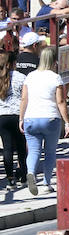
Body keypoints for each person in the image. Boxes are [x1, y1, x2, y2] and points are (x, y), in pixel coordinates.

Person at [19, 45, 68, 195]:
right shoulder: (55, 78)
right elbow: (60, 101)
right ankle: (47, 183)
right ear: (54, 61)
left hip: (31, 118)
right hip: (50, 117)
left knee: (33, 150)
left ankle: (31, 173)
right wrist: (67, 121)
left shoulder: (30, 76)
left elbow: (24, 98)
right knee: (50, 152)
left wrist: (21, 118)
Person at [0, 52, 24, 189]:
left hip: (2, 116)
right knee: (21, 147)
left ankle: (10, 179)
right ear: (14, 63)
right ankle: (23, 176)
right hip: (17, 115)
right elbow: (25, 97)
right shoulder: (21, 77)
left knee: (7, 148)